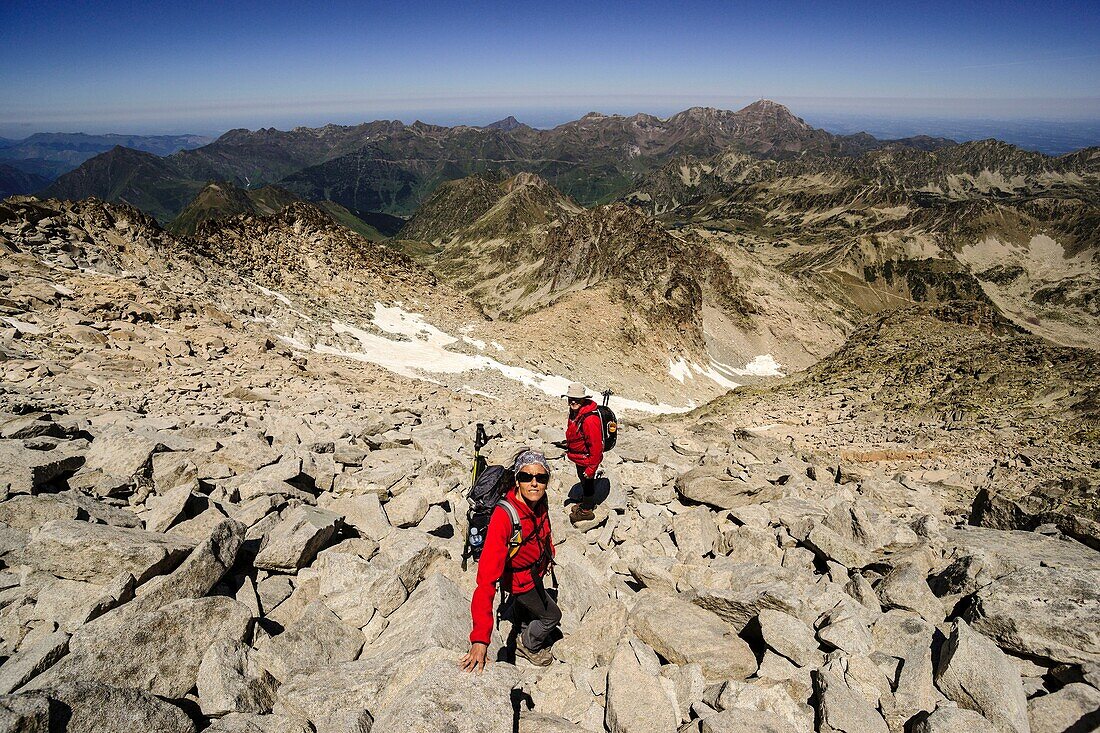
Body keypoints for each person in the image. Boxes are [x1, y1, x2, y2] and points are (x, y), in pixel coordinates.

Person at [460, 450, 560, 673]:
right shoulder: (504, 516)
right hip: (520, 580)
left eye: (541, 478)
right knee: (553, 617)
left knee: (531, 608)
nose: (534, 483)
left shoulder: (539, 501)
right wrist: (480, 640)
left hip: (533, 571)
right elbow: (485, 582)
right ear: (517, 480)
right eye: (526, 477)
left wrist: (548, 554)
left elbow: (543, 530)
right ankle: (528, 645)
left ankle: (520, 616)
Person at [564, 382, 603, 525]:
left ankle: (586, 511)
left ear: (584, 399)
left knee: (587, 482)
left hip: (587, 459)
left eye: (577, 398)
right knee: (584, 480)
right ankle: (586, 503)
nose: (573, 401)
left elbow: (596, 447)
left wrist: (592, 467)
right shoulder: (576, 413)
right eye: (570, 398)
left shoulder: (590, 419)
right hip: (580, 457)